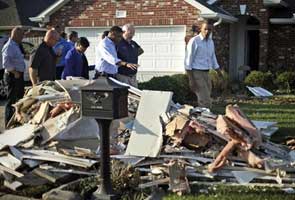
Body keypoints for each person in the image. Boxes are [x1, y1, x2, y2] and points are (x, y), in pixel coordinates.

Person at [184, 21, 222, 108]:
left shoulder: (210, 42)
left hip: (206, 73)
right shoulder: (194, 41)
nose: (207, 31)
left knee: (207, 96)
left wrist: (219, 73)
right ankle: (206, 118)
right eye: (205, 29)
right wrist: (191, 79)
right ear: (200, 29)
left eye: (209, 29)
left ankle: (202, 118)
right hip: (196, 73)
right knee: (205, 100)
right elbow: (188, 61)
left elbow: (213, 58)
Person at [2, 27, 25, 125]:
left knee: (19, 99)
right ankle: (8, 122)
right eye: (21, 36)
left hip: (18, 75)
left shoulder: (15, 45)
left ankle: (16, 120)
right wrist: (15, 72)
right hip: (13, 76)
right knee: (11, 100)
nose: (22, 38)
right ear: (15, 35)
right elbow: (6, 63)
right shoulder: (9, 46)